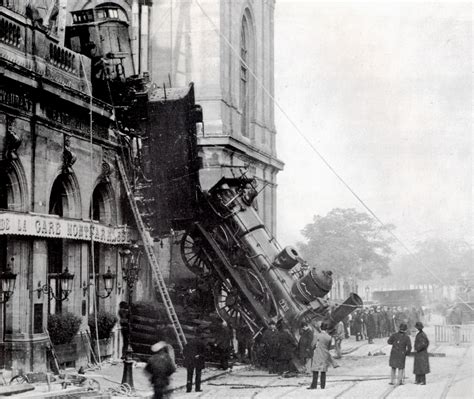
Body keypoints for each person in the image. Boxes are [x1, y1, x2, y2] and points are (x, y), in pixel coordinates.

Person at [307, 321, 332, 390]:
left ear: (320, 328)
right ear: (326, 329)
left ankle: (314, 385)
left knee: (315, 370)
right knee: (323, 370)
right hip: (325, 354)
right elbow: (329, 347)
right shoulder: (329, 337)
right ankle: (322, 386)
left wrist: (312, 349)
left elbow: (312, 345)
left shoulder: (317, 336)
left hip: (317, 354)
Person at [183, 327, 207, 393]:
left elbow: (184, 351)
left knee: (189, 375)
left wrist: (189, 356)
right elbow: (205, 353)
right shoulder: (202, 343)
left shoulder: (190, 342)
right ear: (200, 334)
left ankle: (188, 388)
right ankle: (197, 388)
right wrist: (199, 355)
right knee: (198, 374)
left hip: (190, 360)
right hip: (198, 360)